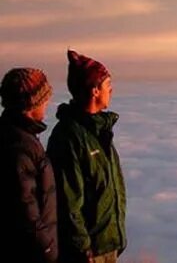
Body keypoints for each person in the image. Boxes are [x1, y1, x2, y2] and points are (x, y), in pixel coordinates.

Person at [47, 50, 126, 263]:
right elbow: (68, 200)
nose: (112, 90)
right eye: (108, 85)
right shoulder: (69, 137)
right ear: (94, 91)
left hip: (106, 246)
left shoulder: (99, 132)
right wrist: (82, 249)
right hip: (89, 253)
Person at [0, 67, 58, 263]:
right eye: (44, 98)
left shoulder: (19, 136)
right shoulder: (21, 147)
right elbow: (25, 207)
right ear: (32, 103)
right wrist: (48, 249)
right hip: (30, 254)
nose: (48, 103)